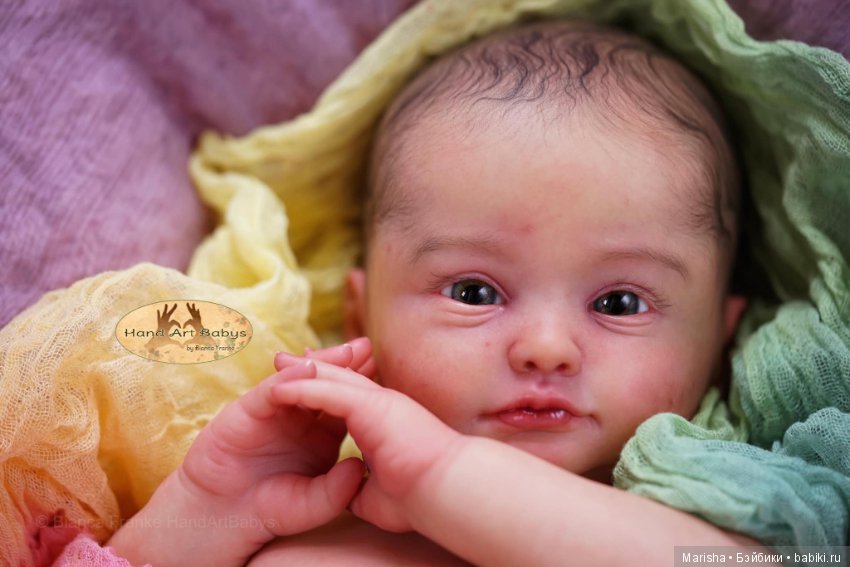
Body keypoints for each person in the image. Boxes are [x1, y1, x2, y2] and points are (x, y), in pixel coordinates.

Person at [107, 20, 767, 566]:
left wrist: (446, 476)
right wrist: (198, 515)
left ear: (721, 336)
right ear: (360, 315)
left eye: (620, 303)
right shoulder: (300, 506)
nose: (544, 347)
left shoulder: (709, 507)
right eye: (475, 291)